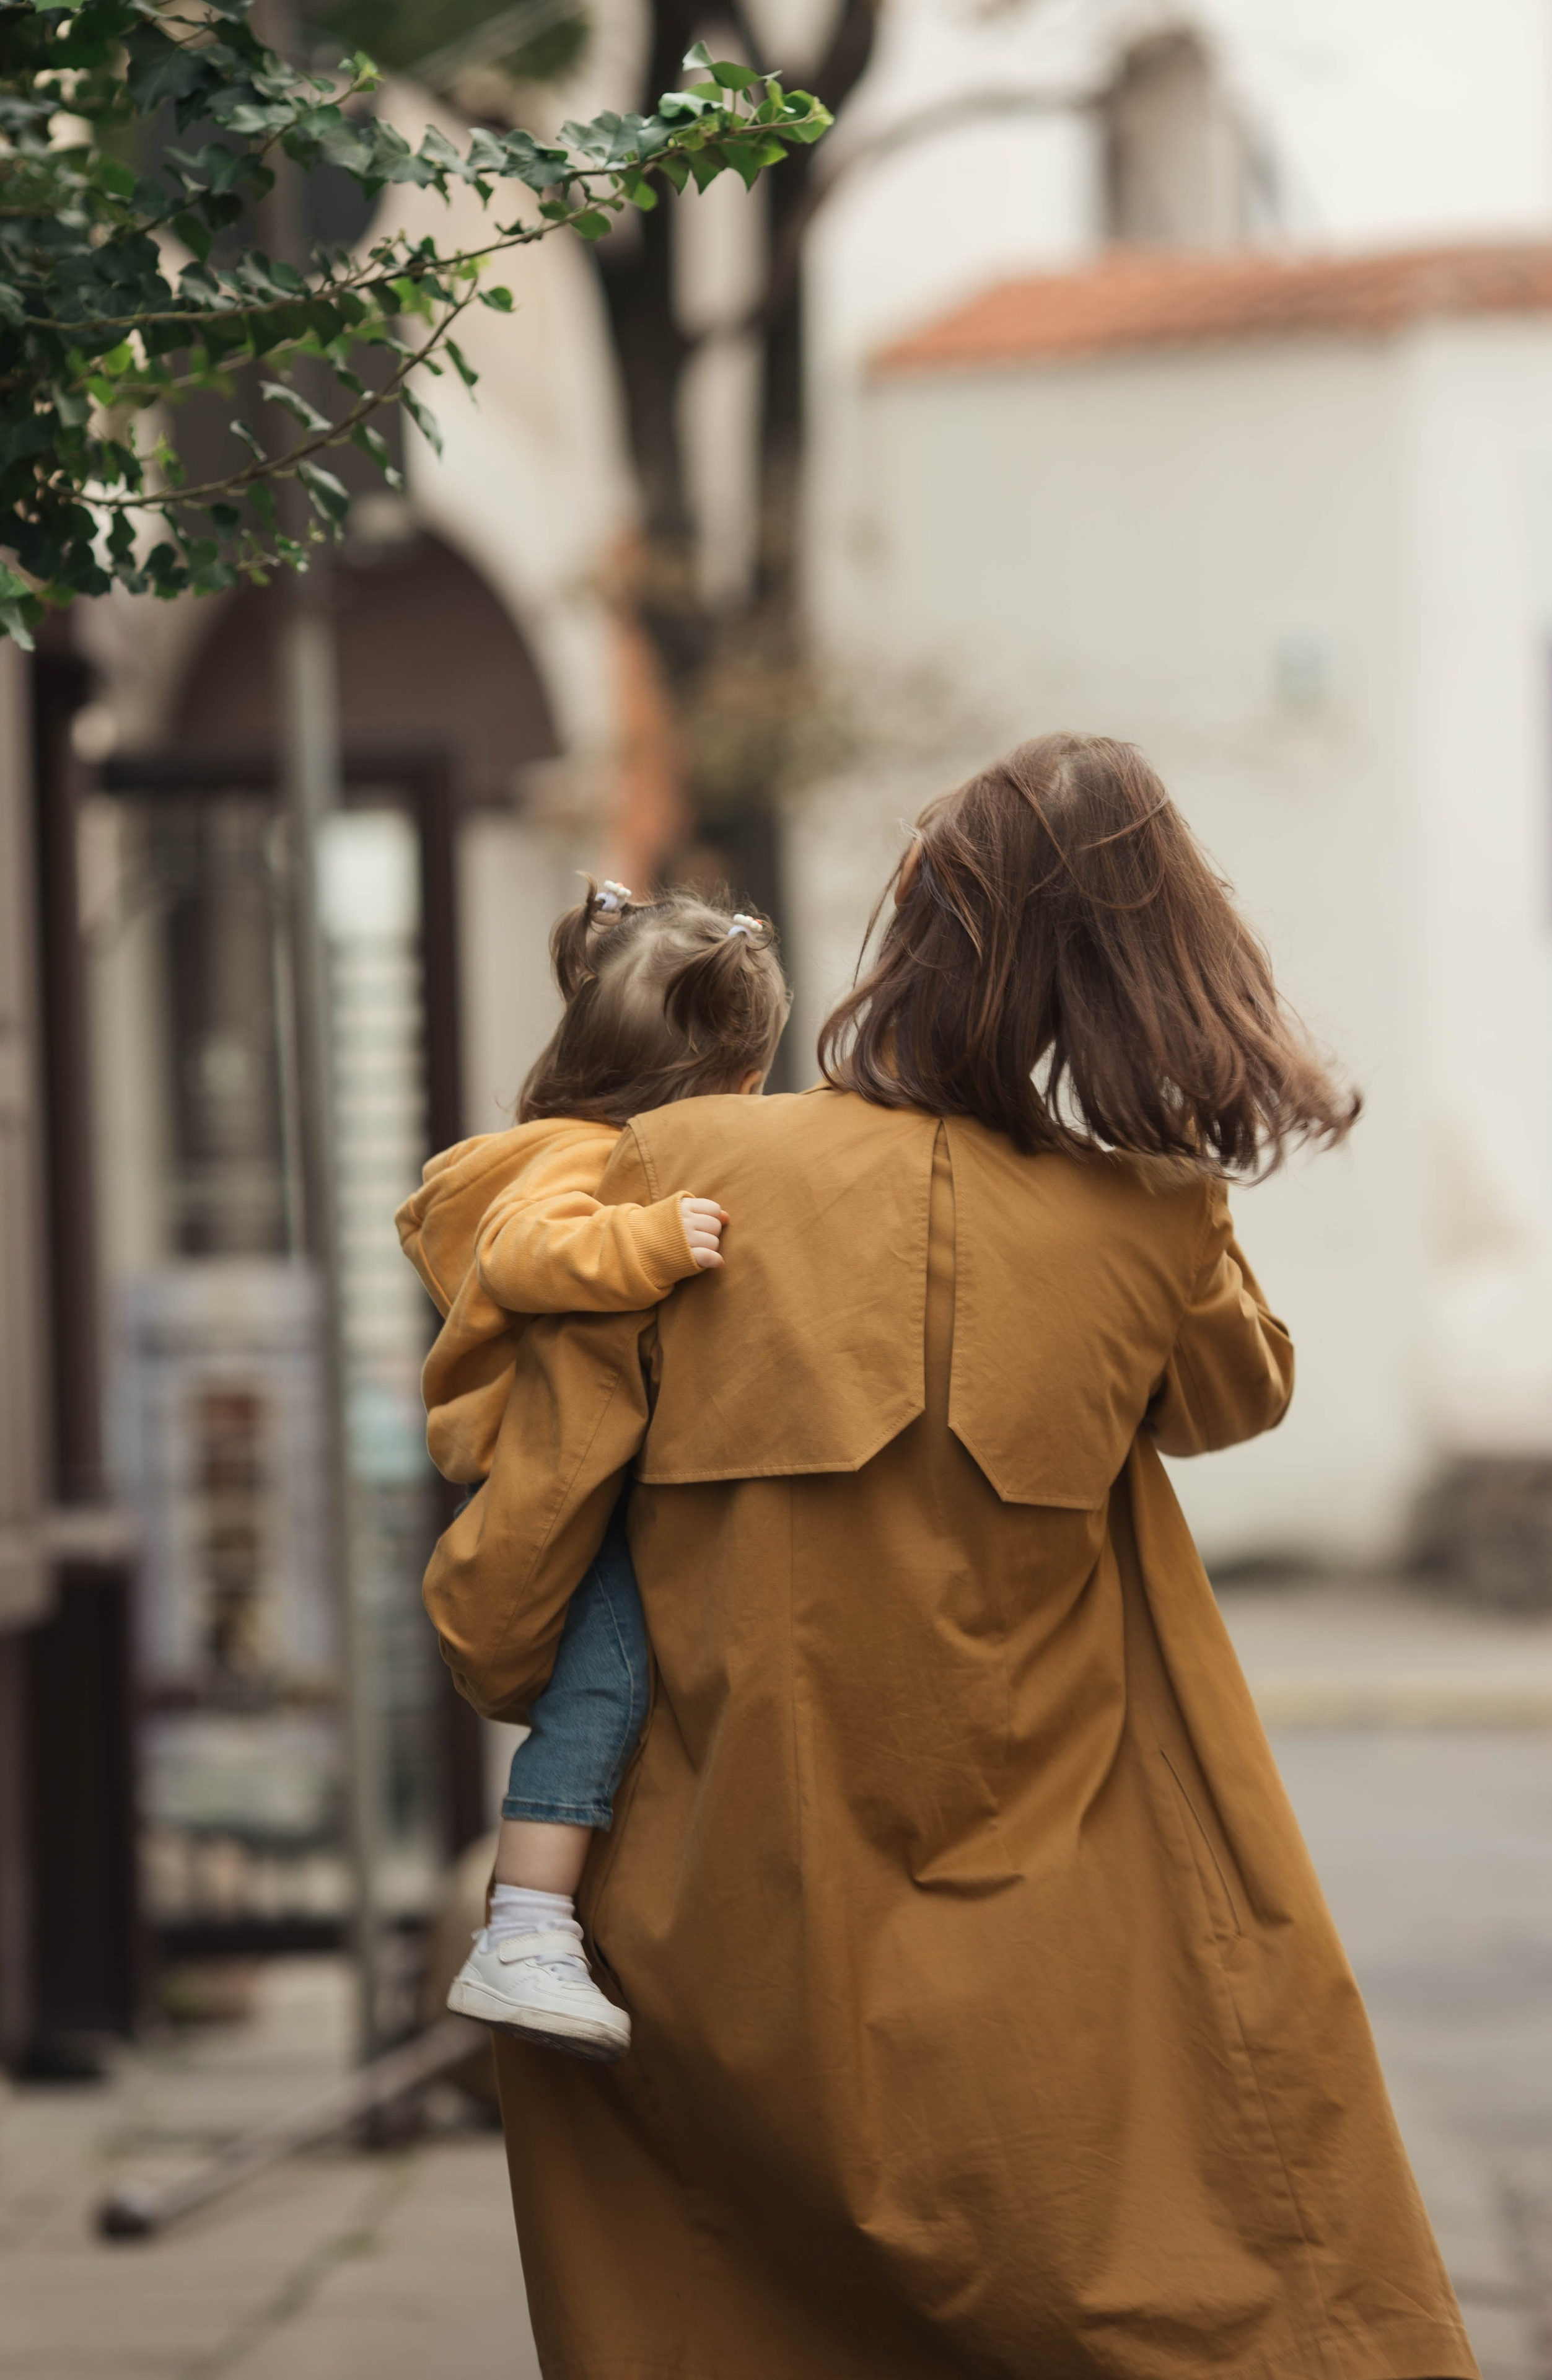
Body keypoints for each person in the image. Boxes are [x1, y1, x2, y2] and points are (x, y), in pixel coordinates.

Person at [424, 734, 1478, 2380]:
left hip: (712, 1933)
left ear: (909, 934)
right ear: (1153, 970)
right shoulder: (1152, 1225)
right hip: (1068, 1964)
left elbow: (513, 1585)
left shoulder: (690, 1173)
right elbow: (1232, 1397)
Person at [396, 880, 789, 2058]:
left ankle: (537, 1919)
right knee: (606, 1687)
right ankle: (522, 1928)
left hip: (552, 1465)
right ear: (721, 1082)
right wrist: (653, 1241)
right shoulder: (577, 1167)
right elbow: (526, 1254)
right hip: (540, 1473)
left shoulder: (556, 1147)